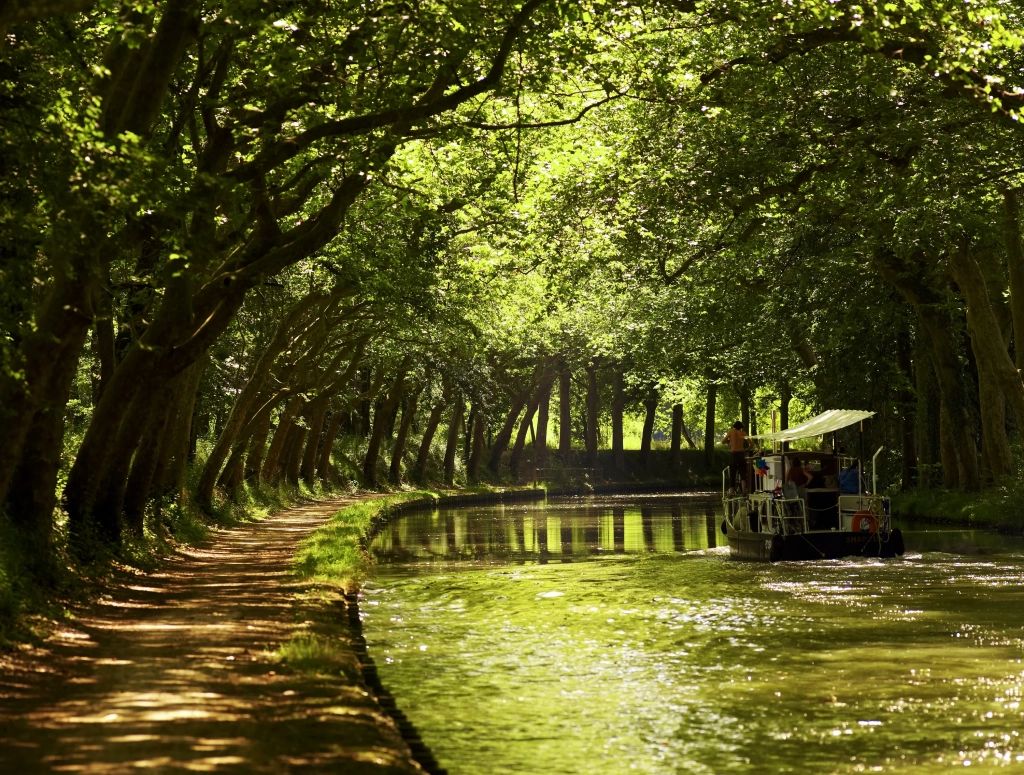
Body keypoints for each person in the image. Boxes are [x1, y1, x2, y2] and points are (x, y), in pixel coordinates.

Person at [722, 421, 748, 491]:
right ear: (741, 427)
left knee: (732, 472)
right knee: (743, 472)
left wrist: (729, 441)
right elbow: (751, 444)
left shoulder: (731, 432)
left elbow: (723, 441)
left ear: (734, 426)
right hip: (741, 454)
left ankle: (731, 491)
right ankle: (744, 490)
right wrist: (746, 450)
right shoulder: (743, 433)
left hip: (733, 454)